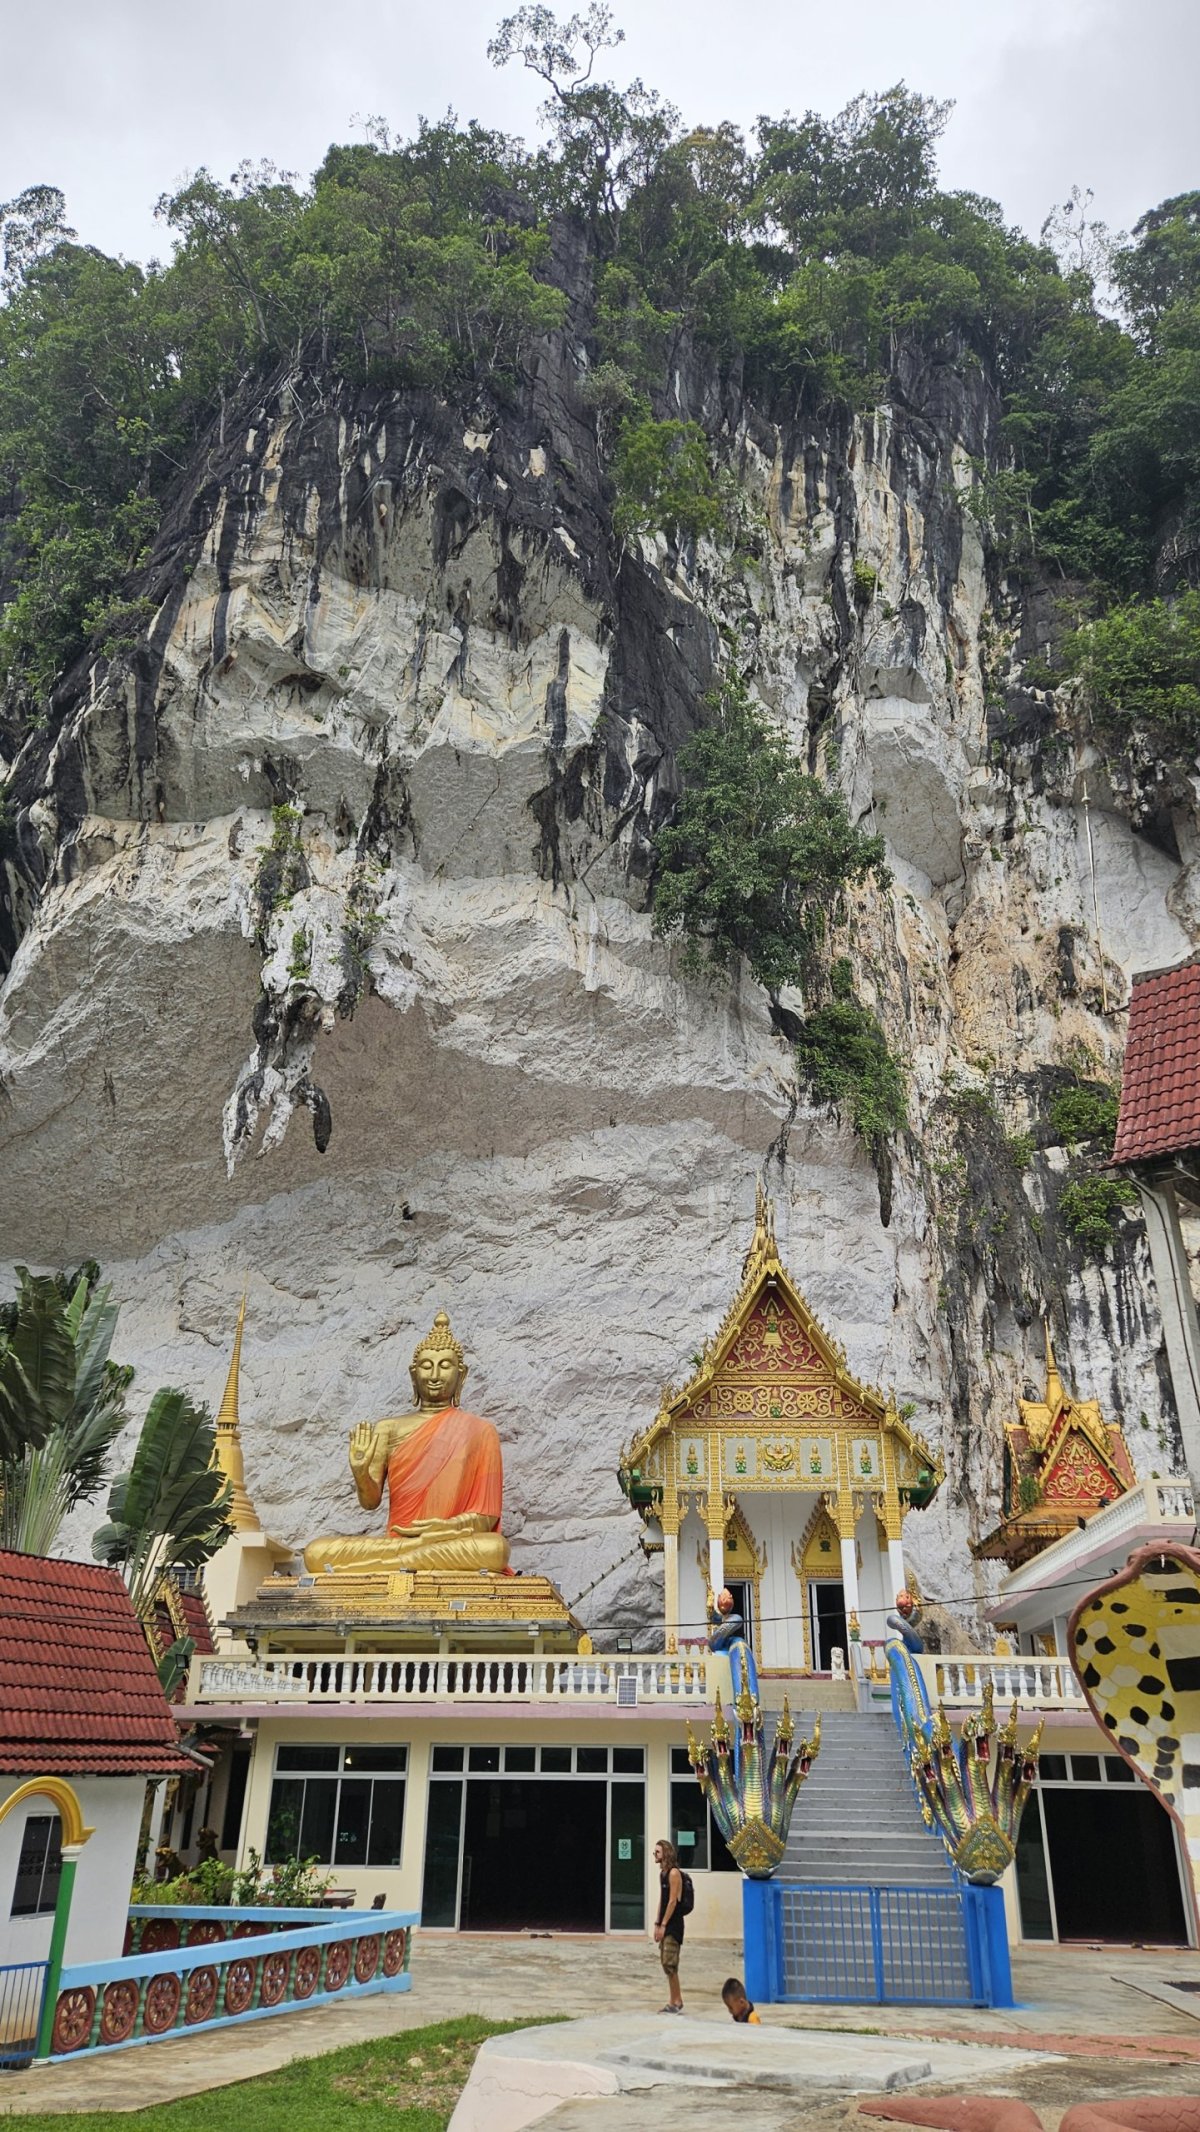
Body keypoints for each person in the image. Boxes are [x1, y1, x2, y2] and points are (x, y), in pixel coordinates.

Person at [653, 1837, 684, 2012]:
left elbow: (672, 1901)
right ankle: (674, 1999)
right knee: (666, 1963)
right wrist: (657, 1923)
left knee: (670, 1963)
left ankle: (676, 2001)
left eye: (657, 1851)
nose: (655, 1855)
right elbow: (662, 1900)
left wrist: (664, 1924)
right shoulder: (663, 1874)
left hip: (674, 1924)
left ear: (665, 1853)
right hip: (665, 1923)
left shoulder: (673, 1873)